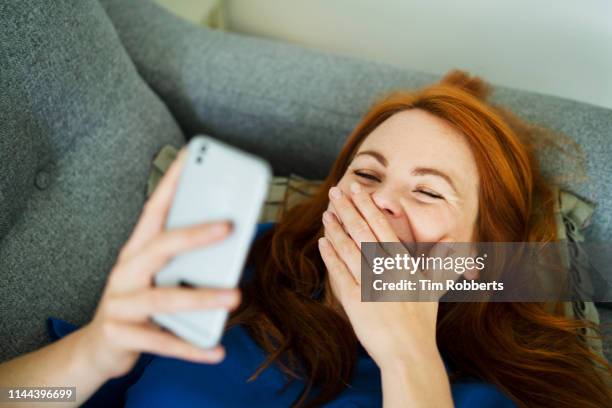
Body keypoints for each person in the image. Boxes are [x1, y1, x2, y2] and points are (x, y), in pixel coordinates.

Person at [1, 71, 610, 407]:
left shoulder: (487, 394)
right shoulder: (231, 275)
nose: (380, 202)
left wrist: (407, 358)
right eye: (367, 174)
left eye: (428, 193)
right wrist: (96, 352)